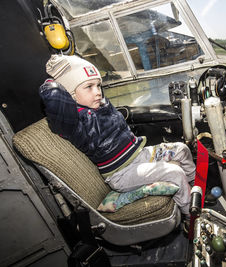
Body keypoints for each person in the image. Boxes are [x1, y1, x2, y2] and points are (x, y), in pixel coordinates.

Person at [39, 54, 195, 220]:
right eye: (89, 87)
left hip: (139, 155)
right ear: (70, 94)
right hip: (122, 173)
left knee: (181, 149)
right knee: (174, 172)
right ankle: (190, 215)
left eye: (98, 86)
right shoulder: (75, 124)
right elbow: (55, 100)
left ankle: (195, 186)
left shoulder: (102, 105)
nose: (98, 92)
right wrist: (55, 85)